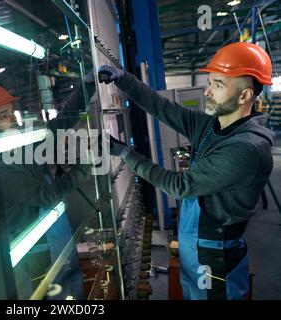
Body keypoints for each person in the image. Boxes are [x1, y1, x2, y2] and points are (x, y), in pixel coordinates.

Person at [98, 42, 274, 300]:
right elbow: (162, 108)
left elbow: (179, 186)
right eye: (210, 82)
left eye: (218, 85)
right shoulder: (211, 125)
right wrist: (124, 80)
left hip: (216, 257)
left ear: (245, 96)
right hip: (195, 247)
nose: (207, 91)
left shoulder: (247, 148)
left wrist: (127, 153)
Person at [0, 83, 92, 299]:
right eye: (4, 115)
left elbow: (58, 126)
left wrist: (87, 87)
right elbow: (47, 196)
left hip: (55, 232)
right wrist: (85, 166)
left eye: (12, 112)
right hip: (37, 249)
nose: (14, 120)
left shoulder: (17, 144)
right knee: (56, 296)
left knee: (73, 287)